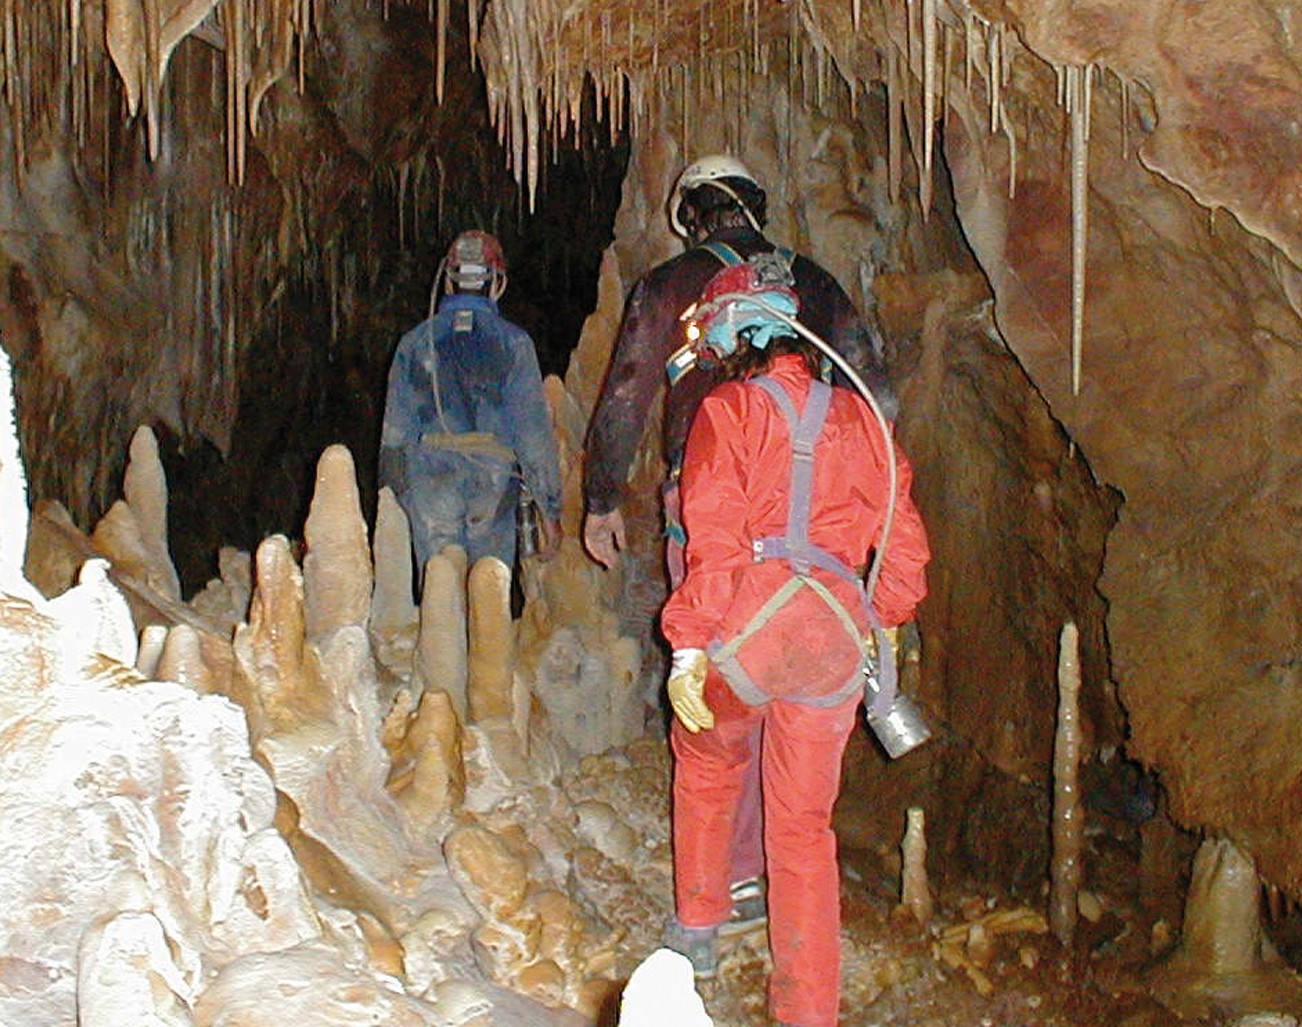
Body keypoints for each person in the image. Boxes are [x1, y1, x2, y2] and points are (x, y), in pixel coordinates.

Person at [580, 154, 894, 928]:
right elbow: (876, 393)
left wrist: (602, 496)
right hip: (814, 516)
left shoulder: (670, 285)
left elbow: (627, 390)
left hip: (709, 501)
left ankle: (726, 883)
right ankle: (781, 872)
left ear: (690, 214)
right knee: (795, 685)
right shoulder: (814, 284)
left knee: (721, 681)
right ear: (756, 205)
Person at [658, 259, 931, 1027]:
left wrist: (688, 647)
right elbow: (905, 549)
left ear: (732, 337)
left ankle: (698, 932)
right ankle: (809, 1007)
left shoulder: (728, 410)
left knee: (708, 764)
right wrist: (880, 617)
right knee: (805, 828)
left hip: (750, 621)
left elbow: (713, 539)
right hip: (835, 637)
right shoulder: (865, 421)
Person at [379, 231, 561, 582]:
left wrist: (392, 504)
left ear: (448, 281)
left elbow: (394, 434)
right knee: (486, 591)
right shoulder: (514, 344)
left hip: (431, 482)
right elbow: (533, 435)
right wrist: (549, 511)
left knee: (440, 591)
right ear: (497, 283)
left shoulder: (414, 343)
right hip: (492, 483)